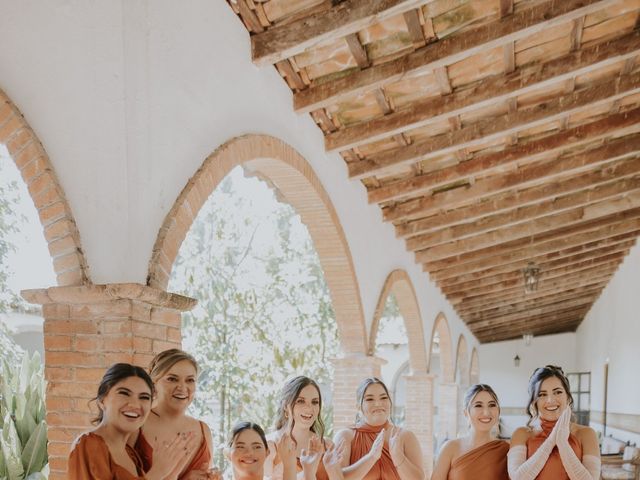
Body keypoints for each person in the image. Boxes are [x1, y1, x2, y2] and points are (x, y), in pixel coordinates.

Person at [68, 362, 195, 479]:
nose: (135, 405)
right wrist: (157, 473)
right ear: (102, 400)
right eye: (124, 393)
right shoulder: (88, 444)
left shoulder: (131, 454)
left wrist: (175, 474)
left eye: (144, 397)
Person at [133, 349, 217, 480]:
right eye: (172, 379)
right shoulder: (136, 425)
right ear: (154, 383)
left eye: (190, 380)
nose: (182, 388)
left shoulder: (203, 430)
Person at [508, 365, 601, 480]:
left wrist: (562, 443)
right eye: (542, 394)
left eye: (557, 392)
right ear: (534, 401)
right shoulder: (521, 434)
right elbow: (517, 478)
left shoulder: (587, 434)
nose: (550, 400)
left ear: (567, 396)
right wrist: (551, 441)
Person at [332, 377, 424, 480]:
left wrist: (398, 456)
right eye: (370, 399)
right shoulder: (345, 436)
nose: (378, 404)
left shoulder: (406, 436)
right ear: (358, 407)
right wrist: (371, 457)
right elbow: (338, 477)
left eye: (383, 398)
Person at [431, 384, 509, 480]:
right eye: (478, 405)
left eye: (492, 405)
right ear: (466, 413)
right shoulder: (450, 448)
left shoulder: (506, 450)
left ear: (498, 411)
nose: (486, 412)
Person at [265, 376, 332, 480]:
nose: (309, 408)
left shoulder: (327, 446)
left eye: (314, 402)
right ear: (285, 406)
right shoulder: (269, 445)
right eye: (301, 401)